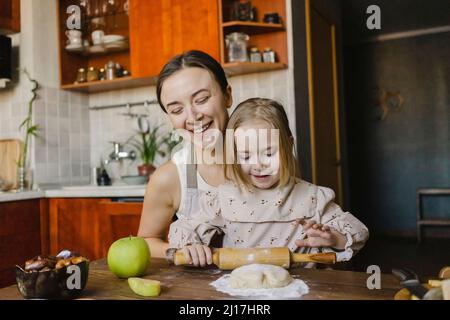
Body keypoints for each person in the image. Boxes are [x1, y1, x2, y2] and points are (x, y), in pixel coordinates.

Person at [168, 98, 369, 267]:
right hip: (242, 289)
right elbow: (184, 227)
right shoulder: (224, 198)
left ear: (288, 145)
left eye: (269, 153)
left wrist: (334, 238)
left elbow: (358, 233)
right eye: (246, 156)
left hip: (300, 291)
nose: (258, 165)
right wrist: (191, 246)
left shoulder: (312, 198)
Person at [137, 50, 233, 263]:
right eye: (177, 110)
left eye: (201, 99)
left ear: (227, 95)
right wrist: (181, 251)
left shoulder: (265, 159)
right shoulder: (169, 178)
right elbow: (147, 240)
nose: (192, 116)